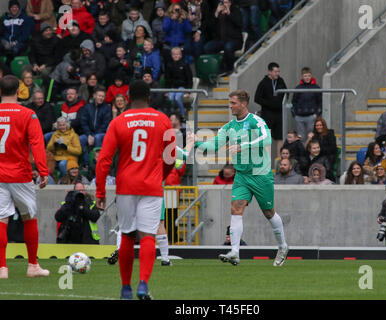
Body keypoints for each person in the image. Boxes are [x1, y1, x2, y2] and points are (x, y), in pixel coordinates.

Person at [95, 80, 176, 300]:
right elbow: (171, 156)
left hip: (126, 186)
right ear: (149, 97)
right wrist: (162, 174)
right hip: (151, 185)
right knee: (148, 235)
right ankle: (143, 284)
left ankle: (125, 288)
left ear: (128, 98)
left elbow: (103, 159)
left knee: (128, 235)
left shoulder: (119, 121)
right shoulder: (162, 120)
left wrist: (101, 191)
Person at [194, 89, 289, 267]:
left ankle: (283, 246)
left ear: (243, 104)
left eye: (233, 103)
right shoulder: (229, 126)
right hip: (242, 176)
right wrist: (196, 142)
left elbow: (267, 138)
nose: (230, 106)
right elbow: (215, 144)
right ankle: (235, 252)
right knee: (236, 209)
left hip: (260, 174)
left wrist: (242, 146)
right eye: (230, 103)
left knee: (269, 213)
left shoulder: (256, 121)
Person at [0, 75, 50, 279]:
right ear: (19, 90)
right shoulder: (28, 114)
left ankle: (2, 268)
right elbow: (37, 144)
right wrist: (44, 172)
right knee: (29, 217)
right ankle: (32, 265)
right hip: (20, 174)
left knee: (1, 219)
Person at [254, 62, 287, 156]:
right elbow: (257, 98)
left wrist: (279, 103)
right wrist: (270, 104)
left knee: (280, 138)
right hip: (267, 114)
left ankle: (280, 162)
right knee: (266, 138)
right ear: (270, 72)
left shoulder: (281, 81)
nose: (277, 73)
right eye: (275, 71)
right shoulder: (263, 83)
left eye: (278, 71)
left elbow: (286, 94)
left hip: (279, 114)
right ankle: (266, 162)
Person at [203, 0, 243, 74]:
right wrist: (216, 13)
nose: (224, 4)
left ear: (230, 3)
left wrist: (229, 14)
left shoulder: (235, 10)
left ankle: (230, 68)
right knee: (207, 47)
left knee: (228, 47)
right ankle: (218, 67)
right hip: (221, 40)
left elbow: (239, 23)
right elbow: (210, 26)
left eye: (226, 2)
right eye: (223, 2)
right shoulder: (219, 12)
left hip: (235, 39)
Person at [79, 87, 112, 167]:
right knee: (81, 139)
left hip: (101, 133)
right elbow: (83, 122)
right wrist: (89, 134)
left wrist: (93, 136)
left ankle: (98, 163)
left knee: (97, 137)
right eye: (99, 96)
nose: (101, 98)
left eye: (102, 96)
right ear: (94, 96)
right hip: (89, 133)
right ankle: (85, 164)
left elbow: (105, 124)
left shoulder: (107, 108)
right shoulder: (87, 107)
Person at [291, 67, 322, 143]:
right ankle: (302, 153)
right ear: (302, 76)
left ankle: (310, 153)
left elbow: (320, 102)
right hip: (299, 116)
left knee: (311, 136)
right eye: (305, 76)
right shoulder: (298, 88)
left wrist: (316, 114)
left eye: (308, 75)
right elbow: (294, 102)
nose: (307, 77)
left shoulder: (316, 87)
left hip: (311, 116)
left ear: (311, 76)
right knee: (300, 136)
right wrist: (294, 115)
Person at [165, 47, 193, 118]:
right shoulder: (169, 65)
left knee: (177, 98)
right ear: (171, 55)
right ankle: (172, 115)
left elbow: (189, 79)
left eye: (177, 54)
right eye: (174, 54)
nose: (175, 56)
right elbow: (167, 79)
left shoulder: (185, 65)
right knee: (171, 98)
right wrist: (167, 91)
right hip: (173, 87)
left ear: (180, 55)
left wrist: (188, 92)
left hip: (182, 87)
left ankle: (182, 114)